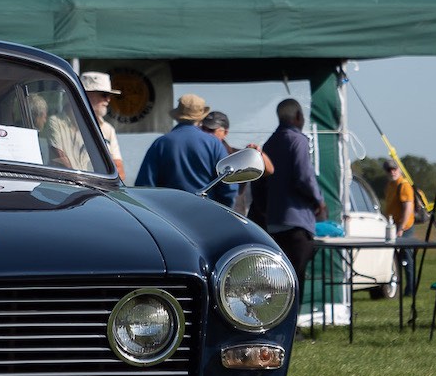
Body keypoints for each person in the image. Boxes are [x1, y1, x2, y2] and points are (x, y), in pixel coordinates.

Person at [252, 99, 327, 296]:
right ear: (298, 117)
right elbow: (304, 176)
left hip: (274, 222)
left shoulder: (269, 143)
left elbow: (259, 184)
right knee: (296, 278)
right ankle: (294, 325)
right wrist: (318, 199)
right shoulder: (298, 140)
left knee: (278, 280)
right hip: (297, 221)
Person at [134, 94, 236, 206]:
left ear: (177, 116)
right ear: (201, 117)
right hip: (206, 213)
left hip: (168, 214)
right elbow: (229, 186)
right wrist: (222, 212)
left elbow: (144, 186)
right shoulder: (214, 144)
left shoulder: (160, 143)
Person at [47, 72, 125, 179]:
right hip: (65, 187)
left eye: (109, 95)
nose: (108, 99)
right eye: (104, 94)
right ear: (85, 95)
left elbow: (119, 172)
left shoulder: (108, 129)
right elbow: (60, 159)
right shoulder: (55, 121)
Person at [201, 110, 273, 213]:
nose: (206, 133)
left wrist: (258, 153)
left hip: (231, 214)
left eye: (211, 130)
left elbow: (269, 170)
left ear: (225, 132)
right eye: (204, 129)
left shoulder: (236, 155)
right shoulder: (198, 154)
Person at [382, 159, 417, 296]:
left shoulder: (404, 185)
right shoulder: (390, 185)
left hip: (404, 228)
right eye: (389, 170)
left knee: (407, 259)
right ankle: (401, 288)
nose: (392, 172)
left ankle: (410, 290)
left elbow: (408, 208)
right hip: (393, 227)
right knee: (397, 260)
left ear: (399, 169)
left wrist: (401, 228)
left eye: (394, 169)